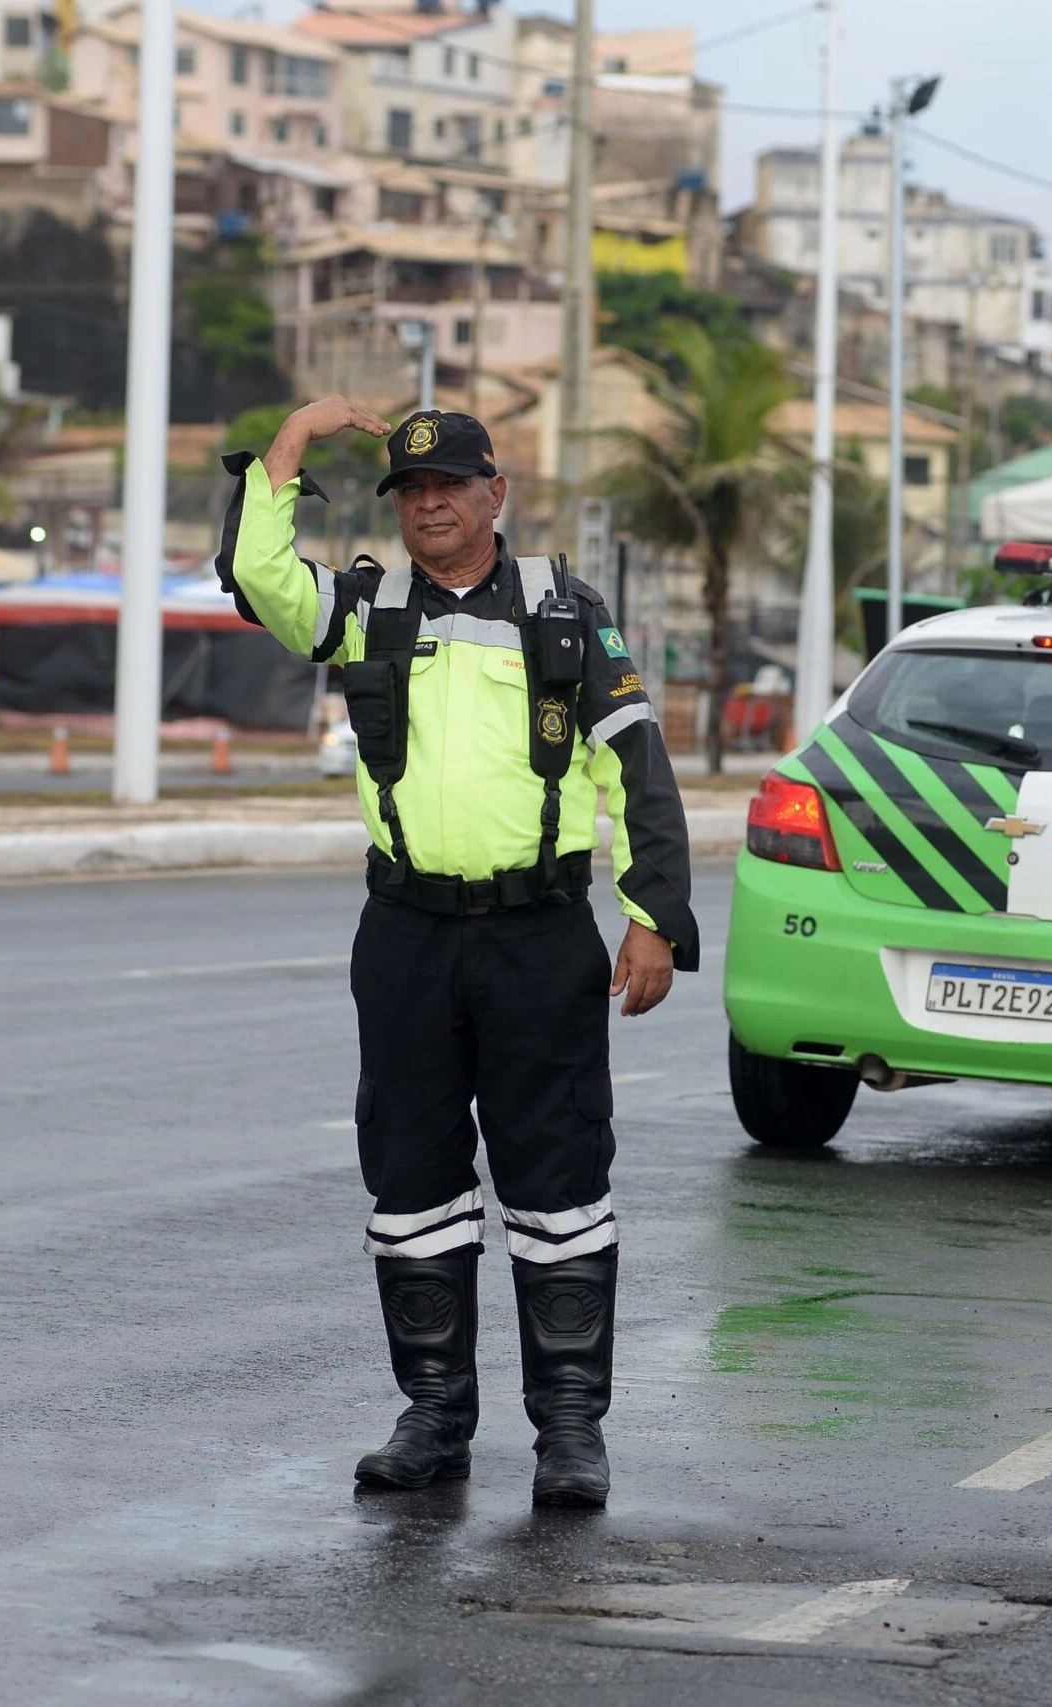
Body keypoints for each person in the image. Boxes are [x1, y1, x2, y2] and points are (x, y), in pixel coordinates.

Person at [215, 399, 698, 1507]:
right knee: (413, 1179)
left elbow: (640, 770)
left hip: (539, 939)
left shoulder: (564, 615)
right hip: (406, 939)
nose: (430, 504)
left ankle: (570, 1432)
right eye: (411, 491)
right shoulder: (365, 608)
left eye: (450, 486)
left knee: (559, 1180)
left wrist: (652, 917)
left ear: (496, 496)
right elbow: (260, 580)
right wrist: (292, 439)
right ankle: (434, 1416)